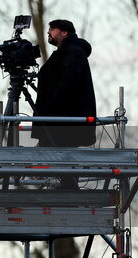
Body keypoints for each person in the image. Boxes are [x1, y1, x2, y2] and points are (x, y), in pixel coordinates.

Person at [31, 19, 97, 190]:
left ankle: (67, 187)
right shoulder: (68, 51)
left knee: (66, 157)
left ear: (64, 33)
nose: (48, 33)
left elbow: (68, 83)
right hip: (63, 119)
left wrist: (51, 106)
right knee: (65, 158)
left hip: (64, 120)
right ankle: (64, 184)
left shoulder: (72, 52)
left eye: (52, 29)